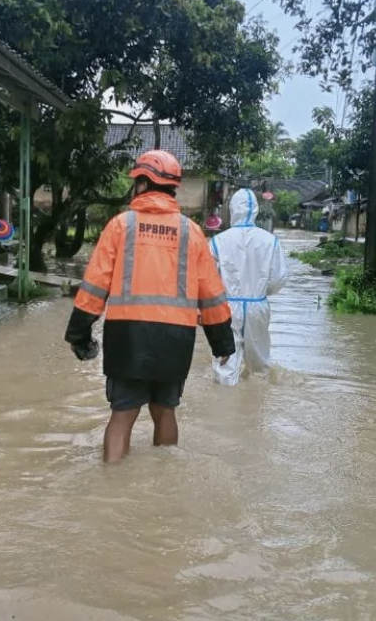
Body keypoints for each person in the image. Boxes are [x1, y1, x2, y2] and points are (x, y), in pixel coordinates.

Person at [65, 149, 236, 463]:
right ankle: (164, 480)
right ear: (173, 188)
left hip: (126, 335)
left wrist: (79, 334)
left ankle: (113, 487)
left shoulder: (120, 226)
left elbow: (94, 285)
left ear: (142, 184)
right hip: (176, 338)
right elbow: (211, 293)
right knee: (165, 413)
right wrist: (222, 341)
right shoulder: (192, 232)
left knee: (122, 415)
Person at [209, 188, 288, 385]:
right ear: (256, 211)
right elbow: (278, 279)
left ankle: (225, 407)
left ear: (233, 209)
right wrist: (261, 292)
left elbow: (208, 279)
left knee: (225, 365)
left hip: (226, 309)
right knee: (260, 365)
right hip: (257, 307)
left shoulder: (218, 241)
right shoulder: (270, 241)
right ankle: (256, 406)